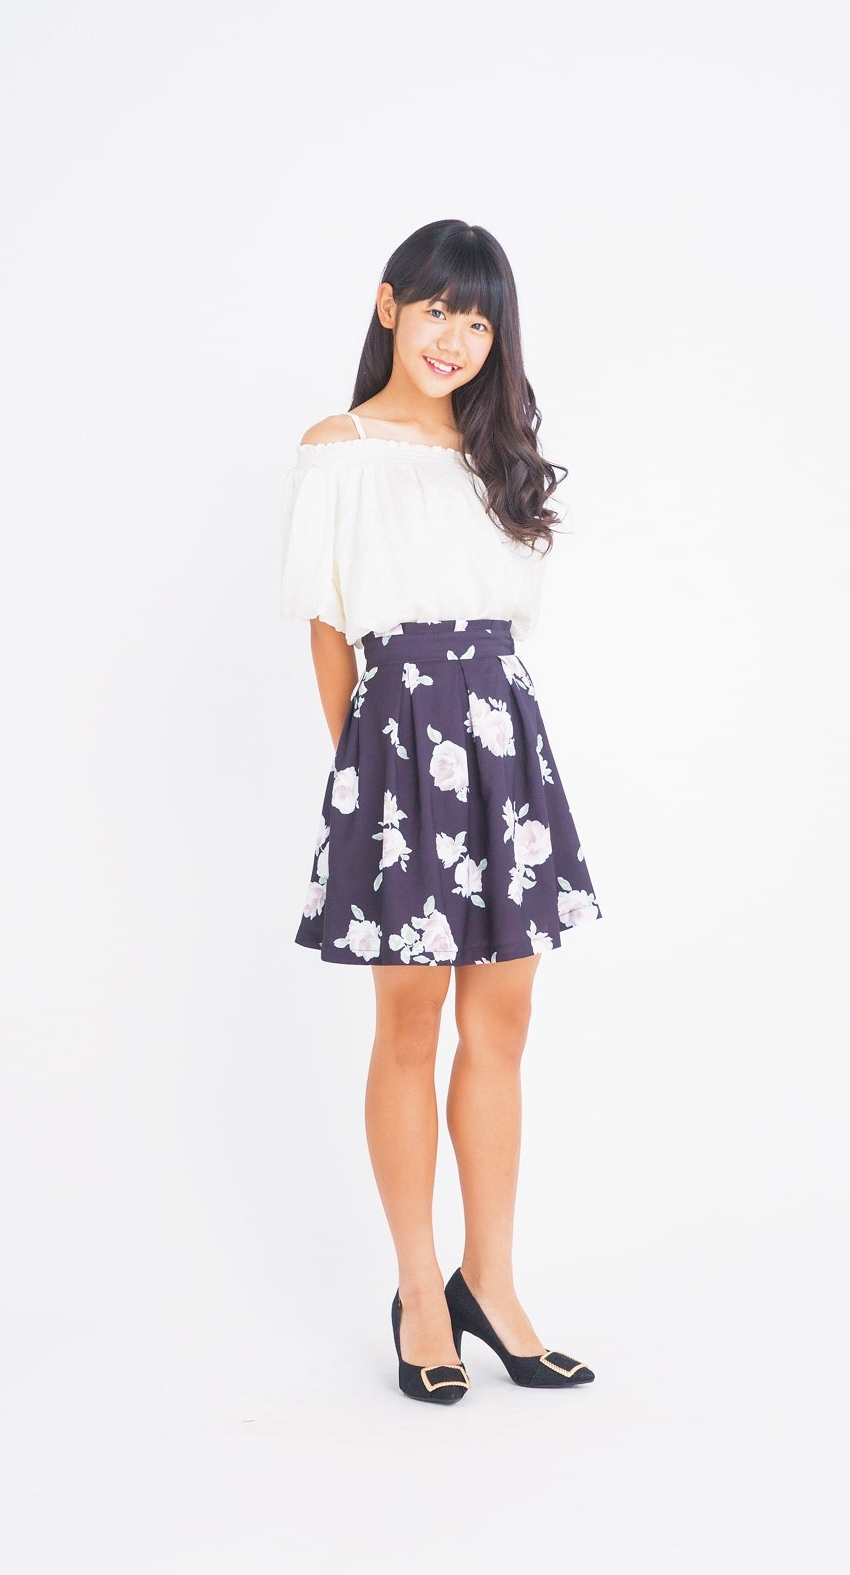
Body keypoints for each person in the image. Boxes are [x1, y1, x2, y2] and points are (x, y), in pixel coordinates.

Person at [280, 219, 602, 1404]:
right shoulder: (341, 447)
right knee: (410, 1023)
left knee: (504, 1019)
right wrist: (364, 779)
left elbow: (513, 627)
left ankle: (491, 1282)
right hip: (400, 743)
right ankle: (421, 1289)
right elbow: (328, 628)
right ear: (389, 307)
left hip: (505, 739)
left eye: (478, 320)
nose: (454, 338)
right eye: (436, 311)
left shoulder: (494, 457)